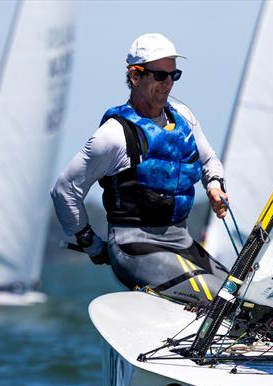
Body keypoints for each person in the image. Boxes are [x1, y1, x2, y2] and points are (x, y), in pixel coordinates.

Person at [51, 33, 229, 306]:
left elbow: (209, 161)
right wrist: (91, 244)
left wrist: (215, 186)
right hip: (133, 248)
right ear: (135, 76)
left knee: (241, 296)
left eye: (174, 75)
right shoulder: (113, 136)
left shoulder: (184, 119)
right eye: (160, 75)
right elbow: (64, 190)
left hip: (181, 242)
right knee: (223, 302)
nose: (168, 84)